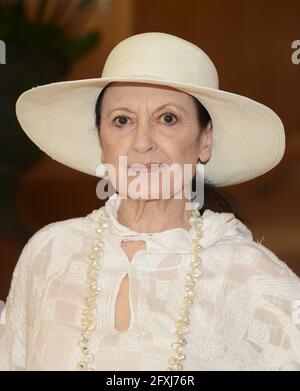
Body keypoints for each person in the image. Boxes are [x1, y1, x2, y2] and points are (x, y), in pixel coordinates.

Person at [1, 32, 300, 371]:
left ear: (205, 140)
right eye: (122, 120)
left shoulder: (250, 275)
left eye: (167, 118)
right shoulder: (49, 253)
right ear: (102, 141)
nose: (142, 142)